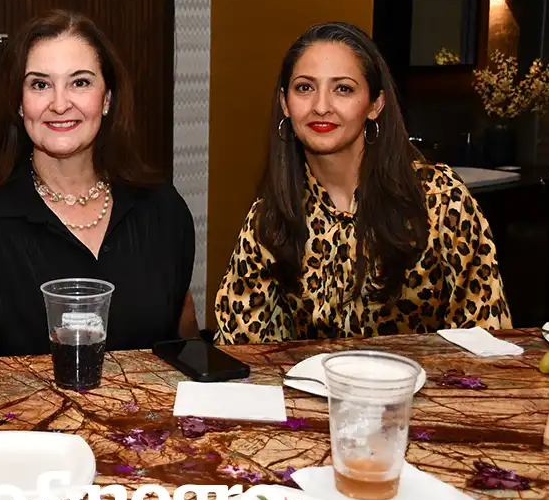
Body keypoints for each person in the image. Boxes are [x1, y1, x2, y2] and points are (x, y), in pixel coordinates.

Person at [212, 22, 512, 344]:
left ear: (375, 104)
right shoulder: (269, 218)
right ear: (285, 103)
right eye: (305, 88)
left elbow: (485, 342)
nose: (321, 106)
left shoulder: (439, 199)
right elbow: (240, 350)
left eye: (343, 89)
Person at [0, 9, 198, 359]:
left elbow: (185, 355)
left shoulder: (164, 211)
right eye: (40, 85)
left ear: (107, 99)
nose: (59, 104)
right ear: (19, 104)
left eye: (80, 82)